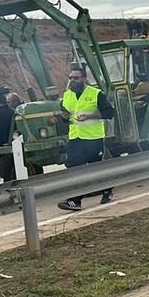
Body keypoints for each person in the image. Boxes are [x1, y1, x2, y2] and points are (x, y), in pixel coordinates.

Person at [58, 66, 116, 211]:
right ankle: (75, 201)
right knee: (74, 169)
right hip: (75, 138)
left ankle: (108, 190)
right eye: (70, 78)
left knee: (95, 168)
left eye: (76, 78)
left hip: (93, 138)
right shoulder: (67, 95)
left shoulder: (96, 94)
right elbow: (66, 115)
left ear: (84, 79)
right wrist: (63, 118)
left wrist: (90, 116)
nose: (72, 80)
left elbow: (109, 112)